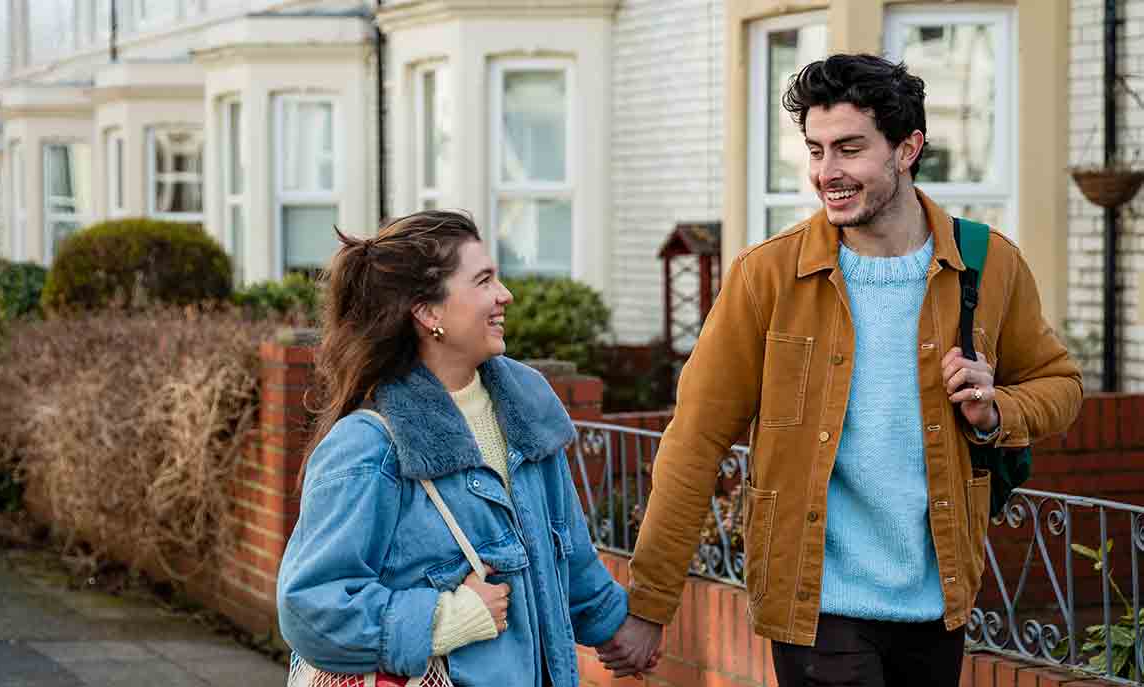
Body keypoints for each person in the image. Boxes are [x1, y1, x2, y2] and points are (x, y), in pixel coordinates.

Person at [600, 54, 1083, 686]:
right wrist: (650, 604)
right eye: (816, 150)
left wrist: (999, 410)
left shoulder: (988, 264)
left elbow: (1062, 385)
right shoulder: (765, 277)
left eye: (849, 149)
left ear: (906, 149)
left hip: (939, 605)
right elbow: (693, 443)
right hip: (818, 608)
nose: (827, 173)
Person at [276, 210, 655, 686]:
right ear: (428, 312)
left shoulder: (527, 410)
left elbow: (569, 557)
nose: (505, 295)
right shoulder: (369, 447)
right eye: (483, 281)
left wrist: (622, 626)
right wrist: (444, 620)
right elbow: (310, 606)